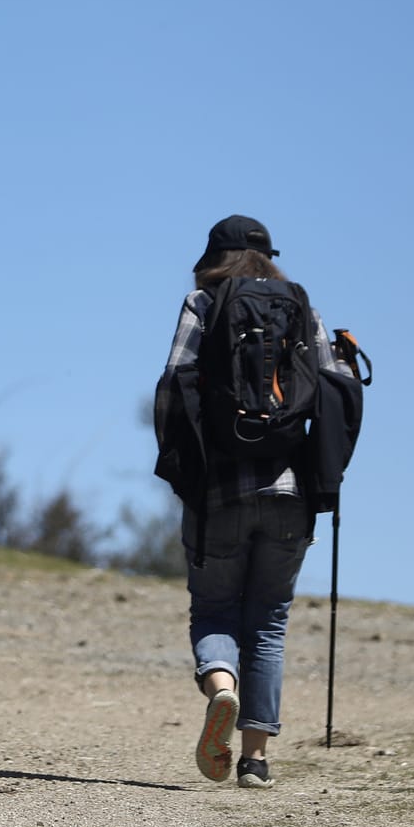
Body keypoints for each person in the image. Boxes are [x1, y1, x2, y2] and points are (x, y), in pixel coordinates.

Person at [151, 215, 360, 789]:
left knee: (215, 611)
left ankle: (222, 688)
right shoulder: (301, 307)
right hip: (291, 492)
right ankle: (255, 761)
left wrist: (181, 470)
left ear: (213, 257)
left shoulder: (203, 302)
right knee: (268, 623)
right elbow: (334, 388)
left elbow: (174, 382)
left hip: (219, 493)